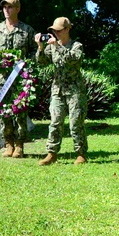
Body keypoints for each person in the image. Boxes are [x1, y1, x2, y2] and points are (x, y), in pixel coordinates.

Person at [0, 0, 37, 158]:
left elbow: (35, 51)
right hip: (1, 80)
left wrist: (27, 64)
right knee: (4, 113)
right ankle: (8, 144)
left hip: (20, 79)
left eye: (10, 7)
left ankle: (20, 145)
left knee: (20, 112)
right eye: (4, 7)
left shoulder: (27, 31)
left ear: (17, 9)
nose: (6, 10)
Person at [35, 17, 87, 165]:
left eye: (58, 31)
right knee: (55, 122)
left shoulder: (77, 46)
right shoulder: (51, 46)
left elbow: (73, 59)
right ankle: (51, 154)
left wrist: (57, 46)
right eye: (53, 31)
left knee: (75, 123)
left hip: (75, 90)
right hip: (58, 90)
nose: (55, 33)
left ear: (67, 29)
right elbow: (42, 62)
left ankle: (81, 153)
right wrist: (40, 47)